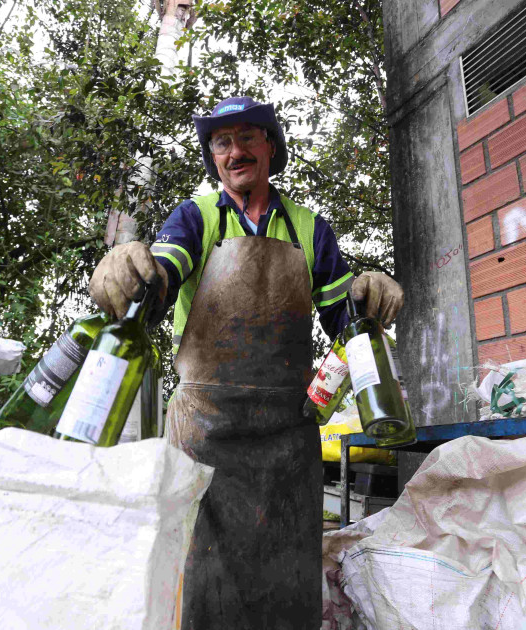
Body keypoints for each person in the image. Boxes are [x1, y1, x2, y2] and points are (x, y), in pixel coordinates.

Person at [89, 96, 404, 629]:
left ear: (270, 147)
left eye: (248, 137)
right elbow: (163, 275)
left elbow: (340, 318)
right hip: (205, 433)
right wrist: (130, 269)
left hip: (289, 434)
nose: (235, 151)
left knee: (286, 582)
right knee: (197, 581)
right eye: (221, 141)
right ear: (213, 157)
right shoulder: (195, 218)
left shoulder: (309, 228)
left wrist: (366, 293)